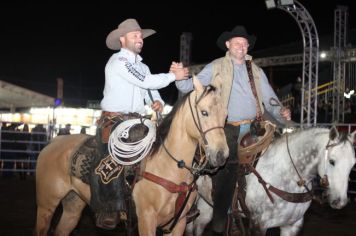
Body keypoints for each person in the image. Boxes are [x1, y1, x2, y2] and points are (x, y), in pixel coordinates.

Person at [175, 25, 291, 234]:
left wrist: (281, 112)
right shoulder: (216, 66)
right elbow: (188, 87)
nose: (241, 46)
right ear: (228, 45)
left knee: (277, 158)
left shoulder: (255, 70)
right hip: (226, 127)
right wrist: (179, 76)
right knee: (228, 165)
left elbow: (269, 98)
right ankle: (223, 216)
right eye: (237, 43)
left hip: (255, 126)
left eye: (245, 43)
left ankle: (272, 210)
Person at [92, 18, 189, 230]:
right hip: (115, 120)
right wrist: (174, 75)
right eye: (135, 35)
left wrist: (157, 102)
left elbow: (150, 91)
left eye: (140, 36)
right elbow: (146, 82)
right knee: (114, 156)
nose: (140, 39)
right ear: (122, 39)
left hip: (136, 121)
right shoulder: (118, 62)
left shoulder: (142, 66)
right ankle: (110, 206)